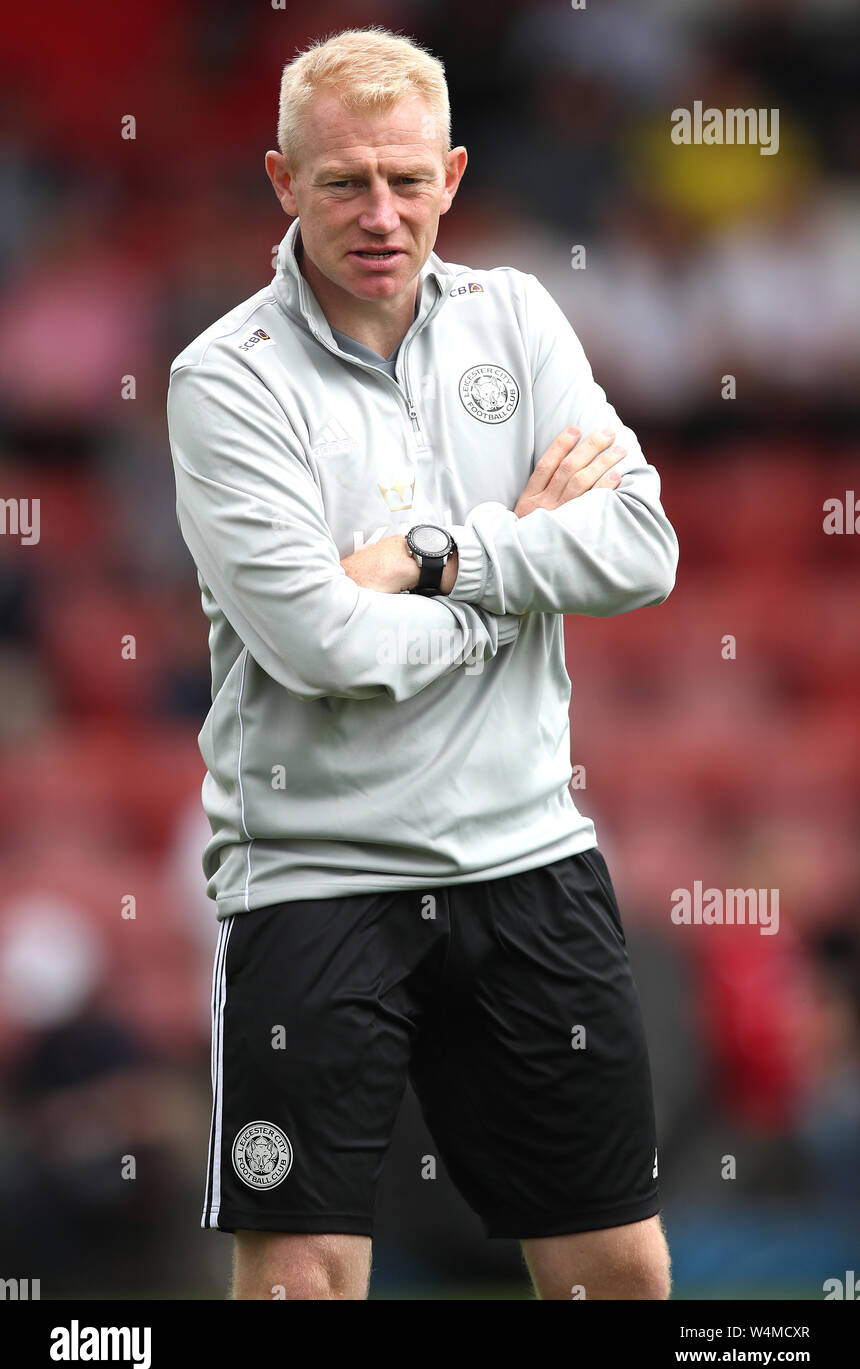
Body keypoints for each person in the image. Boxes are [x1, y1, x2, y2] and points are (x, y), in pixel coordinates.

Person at [166, 25, 679, 1301]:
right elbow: (324, 643)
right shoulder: (222, 379)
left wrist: (434, 554)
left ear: (451, 173)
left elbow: (640, 545)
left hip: (527, 857)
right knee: (301, 1283)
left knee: (614, 1271)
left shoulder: (517, 315)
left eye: (406, 179)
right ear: (283, 181)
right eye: (344, 182)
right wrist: (521, 557)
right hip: (311, 877)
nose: (381, 213)